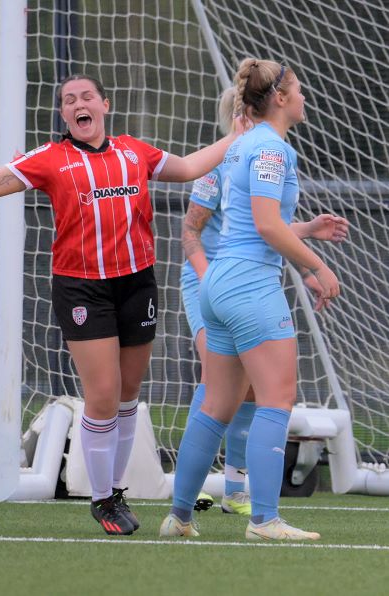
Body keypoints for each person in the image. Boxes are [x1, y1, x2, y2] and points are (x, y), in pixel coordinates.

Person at [0, 73, 245, 536]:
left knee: (127, 393)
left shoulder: (133, 151)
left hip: (137, 283)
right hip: (82, 288)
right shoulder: (50, 158)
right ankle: (103, 499)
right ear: (64, 114)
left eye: (87, 97)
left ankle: (115, 492)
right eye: (69, 100)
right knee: (102, 394)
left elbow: (186, 168)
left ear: (104, 104)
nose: (79, 104)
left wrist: (235, 137)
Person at [161, 58, 346, 541]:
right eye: (299, 91)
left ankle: (179, 516)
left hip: (219, 283)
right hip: (248, 283)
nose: (305, 99)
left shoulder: (243, 145)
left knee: (217, 405)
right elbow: (264, 225)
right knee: (277, 399)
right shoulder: (269, 149)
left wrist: (305, 234)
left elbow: (258, 223)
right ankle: (264, 520)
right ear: (279, 99)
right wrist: (317, 266)